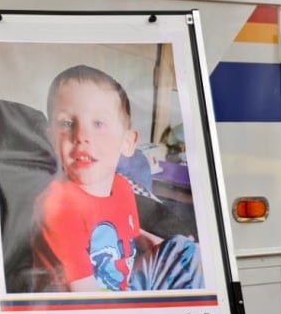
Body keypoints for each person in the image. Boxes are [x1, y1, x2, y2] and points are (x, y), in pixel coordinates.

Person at [30, 64, 202, 292]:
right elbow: (84, 298)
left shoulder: (122, 187)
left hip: (121, 287)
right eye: (67, 123)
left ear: (128, 142)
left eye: (98, 124)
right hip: (81, 309)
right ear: (51, 139)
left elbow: (130, 233)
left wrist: (158, 244)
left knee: (188, 251)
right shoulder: (58, 206)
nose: (82, 136)